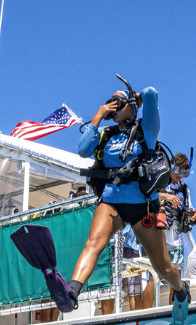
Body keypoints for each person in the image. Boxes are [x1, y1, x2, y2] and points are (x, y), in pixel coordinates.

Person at [68, 84, 187, 311]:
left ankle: (180, 289)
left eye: (118, 102)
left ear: (131, 107)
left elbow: (152, 92)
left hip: (143, 206)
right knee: (94, 243)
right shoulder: (106, 136)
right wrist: (99, 115)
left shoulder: (147, 132)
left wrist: (136, 99)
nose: (115, 106)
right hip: (112, 201)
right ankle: (72, 291)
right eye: (111, 101)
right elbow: (83, 149)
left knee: (162, 267)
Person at [158, 153, 196, 271]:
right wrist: (166, 196)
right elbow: (147, 197)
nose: (180, 175)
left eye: (185, 173)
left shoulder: (185, 191)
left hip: (177, 239)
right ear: (171, 167)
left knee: (176, 276)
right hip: (160, 236)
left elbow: (190, 210)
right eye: (178, 171)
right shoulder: (160, 184)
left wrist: (193, 216)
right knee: (157, 276)